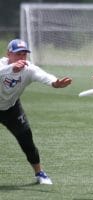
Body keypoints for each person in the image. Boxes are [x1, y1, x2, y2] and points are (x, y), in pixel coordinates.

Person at [0, 39, 72, 184]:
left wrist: (55, 83)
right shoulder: (2, 65)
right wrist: (11, 68)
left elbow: (45, 76)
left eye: (24, 55)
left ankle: (40, 173)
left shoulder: (29, 69)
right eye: (18, 54)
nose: (21, 58)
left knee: (26, 139)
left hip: (11, 108)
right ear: (9, 54)